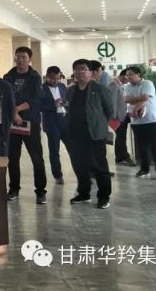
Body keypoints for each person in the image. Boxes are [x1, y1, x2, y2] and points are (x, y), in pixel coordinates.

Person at [66, 59, 113, 209]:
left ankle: (104, 196)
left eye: (83, 69)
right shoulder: (71, 90)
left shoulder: (99, 88)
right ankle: (84, 193)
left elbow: (109, 110)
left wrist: (98, 123)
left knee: (99, 165)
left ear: (91, 72)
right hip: (75, 133)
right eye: (77, 69)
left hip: (95, 133)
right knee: (80, 165)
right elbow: (68, 109)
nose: (80, 72)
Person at [3, 46, 47, 204]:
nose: (20, 60)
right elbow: (4, 97)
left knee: (37, 158)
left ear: (29, 59)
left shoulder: (35, 77)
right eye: (18, 57)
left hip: (30, 123)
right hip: (12, 123)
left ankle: (40, 191)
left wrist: (16, 110)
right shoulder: (8, 76)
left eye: (24, 57)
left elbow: (36, 99)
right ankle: (14, 189)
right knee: (13, 158)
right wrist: (13, 113)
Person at [123, 66, 156, 180]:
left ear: (138, 75)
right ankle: (144, 169)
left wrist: (135, 109)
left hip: (151, 120)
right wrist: (140, 99)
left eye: (131, 74)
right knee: (142, 147)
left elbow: (146, 98)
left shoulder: (147, 83)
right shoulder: (127, 87)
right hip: (136, 122)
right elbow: (126, 99)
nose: (128, 77)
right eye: (127, 75)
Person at [41, 66, 70, 184]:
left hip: (64, 120)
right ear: (47, 77)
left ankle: (83, 173)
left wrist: (66, 103)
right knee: (54, 151)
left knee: (73, 148)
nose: (55, 81)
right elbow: (39, 106)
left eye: (58, 78)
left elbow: (68, 99)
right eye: (53, 79)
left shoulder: (62, 86)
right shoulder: (41, 89)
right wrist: (54, 105)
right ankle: (58, 175)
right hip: (51, 122)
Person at [110, 69, 136, 166]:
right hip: (117, 117)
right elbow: (112, 102)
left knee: (121, 137)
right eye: (128, 76)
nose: (129, 79)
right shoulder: (114, 85)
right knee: (121, 137)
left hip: (122, 115)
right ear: (124, 76)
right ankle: (124, 157)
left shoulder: (119, 84)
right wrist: (113, 117)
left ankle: (120, 157)